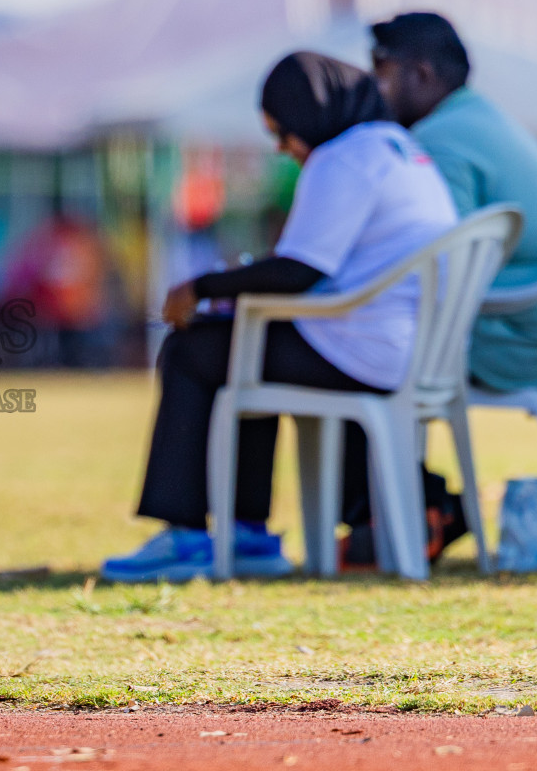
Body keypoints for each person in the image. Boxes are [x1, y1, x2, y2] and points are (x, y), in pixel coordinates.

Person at [102, 53, 457, 583]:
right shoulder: (402, 151)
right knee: (246, 345)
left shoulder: (343, 157)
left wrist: (201, 287)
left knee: (192, 350)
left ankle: (186, 533)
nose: (283, 148)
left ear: (312, 114)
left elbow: (299, 271)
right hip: (410, 349)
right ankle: (246, 533)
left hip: (362, 350)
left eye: (284, 131)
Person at [338, 12, 537, 567]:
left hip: (517, 336)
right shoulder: (477, 119)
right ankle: (412, 508)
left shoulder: (440, 139)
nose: (372, 88)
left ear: (420, 74)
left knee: (350, 352)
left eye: (380, 72)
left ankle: (407, 511)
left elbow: (430, 262)